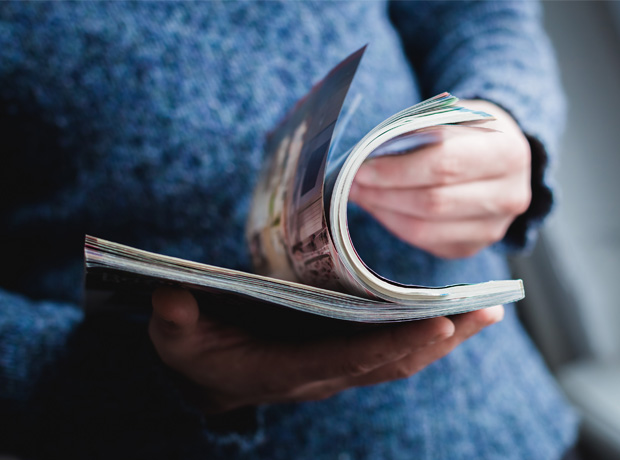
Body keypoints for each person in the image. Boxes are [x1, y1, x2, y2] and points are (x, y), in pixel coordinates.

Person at [0, 1, 578, 459]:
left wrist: (500, 116)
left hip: (490, 420)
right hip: (152, 427)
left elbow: (475, 11)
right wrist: (127, 383)